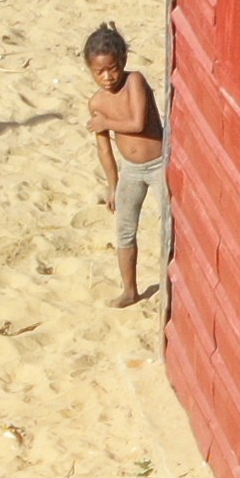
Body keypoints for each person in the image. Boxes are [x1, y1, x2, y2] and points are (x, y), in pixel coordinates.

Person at [84, 25, 166, 307]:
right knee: (125, 229)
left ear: (123, 63)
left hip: (158, 165)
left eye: (113, 68)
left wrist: (105, 123)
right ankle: (130, 290)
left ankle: (171, 282)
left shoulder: (135, 83)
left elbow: (137, 123)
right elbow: (104, 148)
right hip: (131, 170)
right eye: (100, 72)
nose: (108, 77)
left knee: (169, 223)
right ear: (91, 70)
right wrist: (112, 185)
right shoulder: (97, 102)